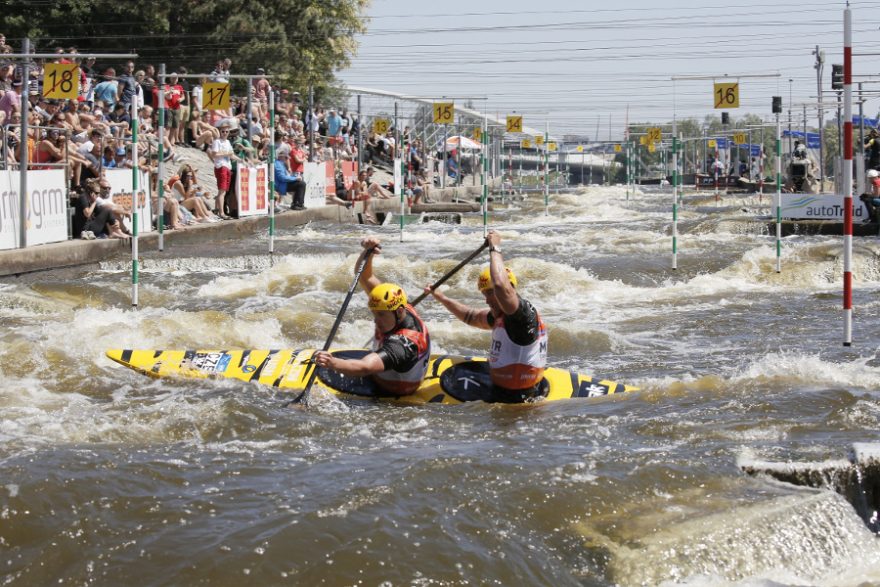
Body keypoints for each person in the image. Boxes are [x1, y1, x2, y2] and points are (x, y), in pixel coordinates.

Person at [425, 231, 548, 401]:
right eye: (485, 293)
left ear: (510, 290)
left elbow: (500, 285)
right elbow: (471, 317)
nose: (487, 300)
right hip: (505, 390)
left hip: (517, 399)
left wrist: (495, 247)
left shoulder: (520, 317)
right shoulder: (501, 315)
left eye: (490, 293)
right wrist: (442, 298)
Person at [313, 237, 431, 396]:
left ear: (399, 311)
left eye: (381, 314)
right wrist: (368, 252)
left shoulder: (403, 345)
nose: (376, 320)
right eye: (374, 313)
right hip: (391, 368)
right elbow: (364, 276)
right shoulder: (397, 304)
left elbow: (365, 368)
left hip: (392, 388)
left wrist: (332, 363)